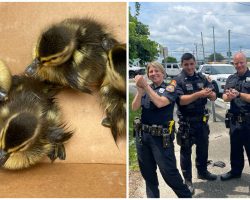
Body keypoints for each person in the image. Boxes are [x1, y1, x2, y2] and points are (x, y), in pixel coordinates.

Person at [132, 61, 192, 198]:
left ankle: (186, 196)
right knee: (148, 175)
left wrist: (145, 86)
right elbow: (134, 108)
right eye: (151, 72)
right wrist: (140, 92)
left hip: (161, 139)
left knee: (169, 173)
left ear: (163, 73)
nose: (154, 74)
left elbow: (160, 103)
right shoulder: (147, 89)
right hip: (143, 137)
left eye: (156, 71)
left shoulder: (170, 88)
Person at [174, 53, 217, 195]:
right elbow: (181, 100)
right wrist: (199, 94)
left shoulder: (202, 77)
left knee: (203, 149)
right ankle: (188, 180)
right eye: (186, 64)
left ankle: (203, 172)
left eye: (191, 64)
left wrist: (210, 94)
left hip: (202, 121)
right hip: (186, 123)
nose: (189, 67)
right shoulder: (177, 80)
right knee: (186, 152)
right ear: (182, 65)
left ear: (195, 63)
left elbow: (214, 96)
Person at [221, 52, 250, 181]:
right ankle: (235, 171)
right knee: (235, 149)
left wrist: (239, 95)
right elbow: (224, 97)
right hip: (234, 121)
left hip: (249, 121)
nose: (239, 65)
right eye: (236, 63)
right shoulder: (231, 78)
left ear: (246, 61)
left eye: (241, 62)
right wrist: (229, 96)